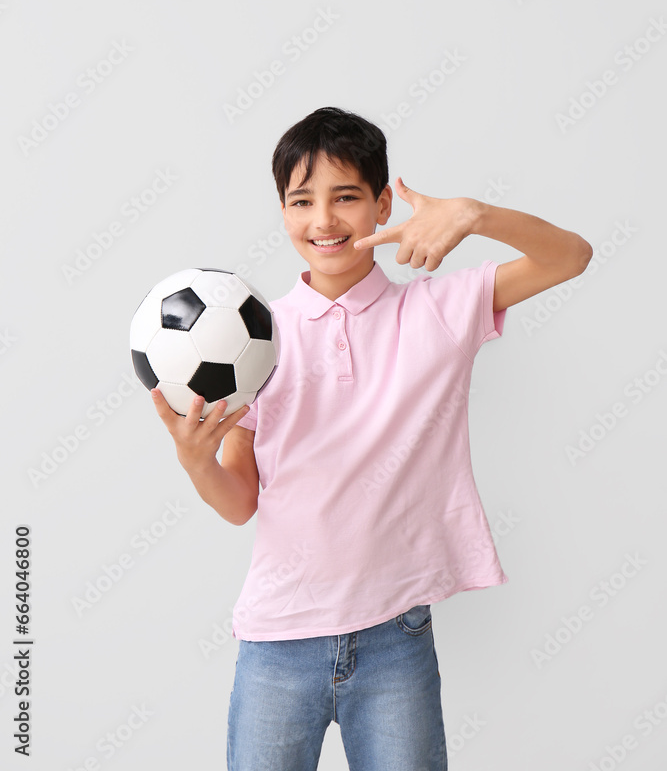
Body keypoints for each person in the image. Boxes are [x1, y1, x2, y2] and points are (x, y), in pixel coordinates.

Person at [151, 106, 593, 771]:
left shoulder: (439, 311)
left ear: (383, 204)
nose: (323, 221)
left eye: (346, 197)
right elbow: (241, 502)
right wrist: (193, 459)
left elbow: (571, 255)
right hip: (277, 643)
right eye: (301, 201)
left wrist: (472, 214)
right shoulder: (251, 339)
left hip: (394, 642)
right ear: (282, 211)